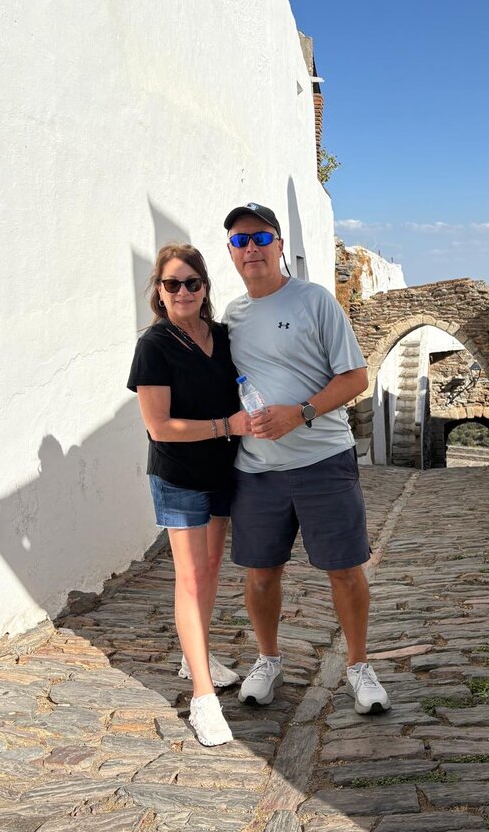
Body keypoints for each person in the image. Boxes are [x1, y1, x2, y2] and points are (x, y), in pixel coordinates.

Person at [223, 202, 391, 715]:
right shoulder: (231, 316)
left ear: (278, 245)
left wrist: (300, 413)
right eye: (240, 240)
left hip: (323, 462)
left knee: (344, 570)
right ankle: (268, 660)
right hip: (257, 469)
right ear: (231, 252)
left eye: (261, 237)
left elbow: (356, 377)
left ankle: (359, 667)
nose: (251, 248)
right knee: (260, 573)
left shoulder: (315, 301)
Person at [127, 244, 251, 747]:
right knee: (192, 577)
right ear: (159, 291)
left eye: (191, 282)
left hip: (223, 470)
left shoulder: (222, 336)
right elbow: (159, 427)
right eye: (172, 283)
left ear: (205, 287)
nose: (182, 291)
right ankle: (203, 697)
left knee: (211, 569)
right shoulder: (155, 345)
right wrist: (227, 425)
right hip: (179, 475)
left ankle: (193, 655)